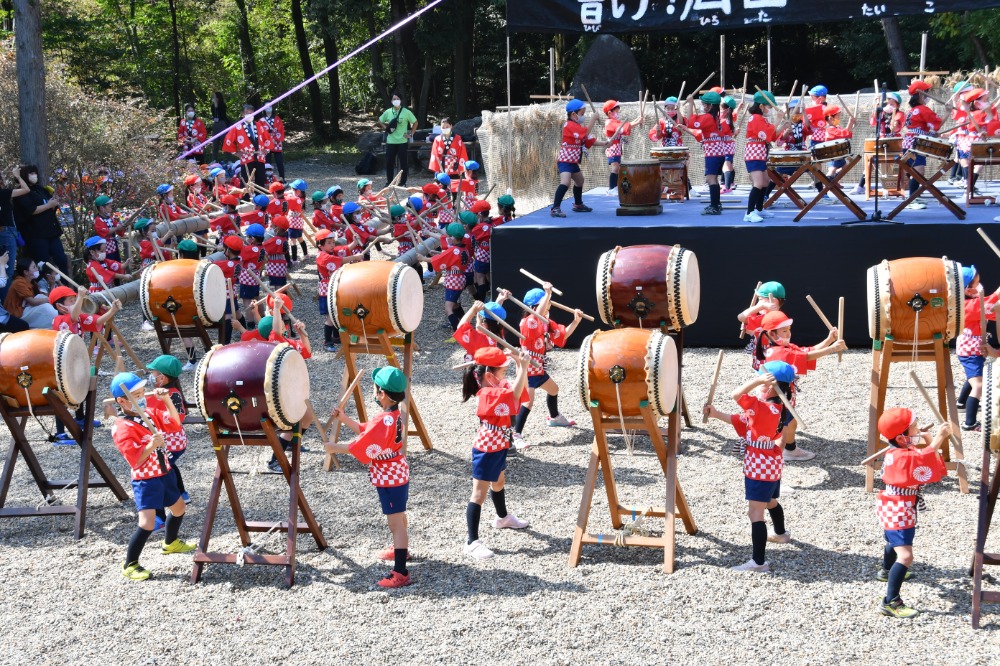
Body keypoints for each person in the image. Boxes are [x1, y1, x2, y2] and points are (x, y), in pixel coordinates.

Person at [703, 361, 796, 573]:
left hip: (758, 465)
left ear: (770, 385)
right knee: (771, 501)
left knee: (755, 512)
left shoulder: (761, 407)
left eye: (764, 383)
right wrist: (716, 414)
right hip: (772, 462)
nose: (761, 387)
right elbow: (743, 421)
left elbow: (736, 395)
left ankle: (758, 562)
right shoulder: (782, 409)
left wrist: (756, 380)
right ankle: (781, 534)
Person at [325, 367, 414, 588]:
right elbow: (367, 431)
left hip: (389, 475)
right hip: (397, 471)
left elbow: (361, 446)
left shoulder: (384, 420)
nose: (373, 391)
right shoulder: (392, 416)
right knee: (399, 519)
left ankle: (401, 571)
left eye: (375, 388)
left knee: (396, 524)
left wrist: (333, 447)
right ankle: (399, 549)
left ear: (382, 394)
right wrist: (344, 418)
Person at [110, 372, 195, 581]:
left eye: (141, 393)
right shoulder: (121, 427)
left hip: (164, 471)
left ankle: (170, 542)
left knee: (178, 508)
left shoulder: (147, 412)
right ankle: (130, 564)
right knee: (147, 523)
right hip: (146, 479)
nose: (141, 397)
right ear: (121, 401)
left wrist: (165, 400)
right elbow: (135, 460)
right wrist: (150, 445)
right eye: (135, 395)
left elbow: (175, 423)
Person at [873, 408, 949, 618]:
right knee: (905, 556)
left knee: (892, 540)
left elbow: (920, 454)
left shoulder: (897, 451)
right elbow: (924, 460)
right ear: (901, 437)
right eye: (915, 427)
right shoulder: (903, 457)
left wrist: (927, 438)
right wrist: (939, 438)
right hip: (899, 507)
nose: (918, 428)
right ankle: (891, 602)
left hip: (893, 504)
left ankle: (887, 571)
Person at [460, 346, 532, 560]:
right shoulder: (487, 393)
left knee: (499, 482)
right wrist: (523, 366)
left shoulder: (498, 386)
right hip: (486, 447)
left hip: (499, 443)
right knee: (478, 494)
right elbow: (515, 394)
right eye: (502, 371)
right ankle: (471, 541)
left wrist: (521, 366)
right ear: (489, 376)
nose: (505, 375)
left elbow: (521, 392)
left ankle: (502, 518)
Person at [753, 310, 845, 461]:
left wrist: (829, 340)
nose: (788, 333)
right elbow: (806, 357)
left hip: (783, 392)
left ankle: (787, 449)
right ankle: (779, 454)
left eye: (789, 330)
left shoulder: (784, 347)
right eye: (784, 330)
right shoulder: (777, 352)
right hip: (777, 395)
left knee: (789, 422)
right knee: (783, 424)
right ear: (772, 334)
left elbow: (807, 351)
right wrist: (832, 349)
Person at [509, 284, 583, 447]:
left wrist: (576, 321)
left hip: (538, 366)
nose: (549, 305)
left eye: (549, 302)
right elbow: (537, 316)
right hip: (527, 365)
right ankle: (516, 434)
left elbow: (562, 335)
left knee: (553, 389)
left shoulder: (545, 322)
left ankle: (555, 417)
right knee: (527, 401)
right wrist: (548, 293)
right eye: (546, 302)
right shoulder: (528, 322)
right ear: (534, 307)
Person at [955, 265, 999, 432]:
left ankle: (961, 403)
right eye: (976, 284)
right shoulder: (968, 306)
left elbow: (992, 310)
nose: (980, 287)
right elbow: (990, 302)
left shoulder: (974, 304)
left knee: (973, 376)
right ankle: (970, 422)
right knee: (979, 385)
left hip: (973, 350)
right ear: (966, 289)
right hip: (970, 352)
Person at [145, 355, 191, 505]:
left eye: (153, 373)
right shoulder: (159, 392)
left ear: (162, 378)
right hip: (169, 441)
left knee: (164, 466)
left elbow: (179, 418)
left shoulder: (172, 395)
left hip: (173, 441)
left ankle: (174, 496)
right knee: (169, 464)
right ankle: (181, 493)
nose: (151, 376)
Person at [552, 100, 602, 218]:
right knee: (565, 182)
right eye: (582, 113)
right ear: (574, 114)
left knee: (580, 181)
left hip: (573, 161)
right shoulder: (569, 125)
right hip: (565, 160)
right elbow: (584, 134)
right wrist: (593, 119)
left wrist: (605, 143)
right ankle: (555, 208)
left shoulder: (577, 126)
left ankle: (578, 204)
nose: (583, 116)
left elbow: (588, 140)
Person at [14, 165, 68, 274]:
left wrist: (53, 204)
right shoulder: (19, 192)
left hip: (51, 232)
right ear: (24, 175)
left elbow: (49, 204)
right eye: (31, 173)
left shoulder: (40, 189)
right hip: (35, 235)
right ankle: (45, 288)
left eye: (35, 173)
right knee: (43, 263)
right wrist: (48, 205)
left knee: (61, 259)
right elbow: (30, 210)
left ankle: (65, 286)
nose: (35, 176)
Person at [901, 80, 945, 210]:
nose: (928, 95)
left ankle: (914, 196)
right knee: (918, 170)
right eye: (926, 93)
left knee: (916, 170)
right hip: (916, 143)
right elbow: (936, 125)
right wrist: (948, 112)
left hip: (910, 141)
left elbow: (925, 128)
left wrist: (931, 134)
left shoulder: (913, 110)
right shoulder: (922, 109)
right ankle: (912, 198)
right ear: (920, 95)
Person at [742, 91, 783, 223]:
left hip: (760, 152)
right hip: (754, 152)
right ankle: (749, 212)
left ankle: (759, 209)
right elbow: (765, 134)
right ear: (761, 106)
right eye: (769, 107)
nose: (770, 110)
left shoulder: (761, 119)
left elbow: (771, 137)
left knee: (765, 181)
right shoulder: (755, 118)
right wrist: (778, 120)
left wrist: (783, 126)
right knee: (758, 183)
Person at [685, 91, 729, 215]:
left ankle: (714, 205)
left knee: (711, 179)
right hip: (718, 151)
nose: (702, 107)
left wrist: (690, 104)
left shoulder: (708, 117)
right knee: (713, 178)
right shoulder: (715, 117)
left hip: (713, 153)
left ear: (710, 106)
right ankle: (717, 204)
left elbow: (690, 122)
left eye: (704, 104)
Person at [223, 103, 272, 192]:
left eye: (251, 112)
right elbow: (228, 140)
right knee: (246, 181)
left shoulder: (259, 125)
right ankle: (245, 201)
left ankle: (259, 200)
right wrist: (235, 152)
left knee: (260, 180)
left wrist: (266, 149)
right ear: (242, 114)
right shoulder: (237, 127)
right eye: (247, 112)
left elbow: (267, 137)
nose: (249, 114)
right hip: (246, 157)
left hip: (259, 156)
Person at [3, 256, 57, 329]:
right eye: (34, 267)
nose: (37, 269)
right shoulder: (18, 282)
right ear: (26, 272)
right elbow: (33, 302)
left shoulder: (32, 283)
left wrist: (52, 284)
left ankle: (56, 321)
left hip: (25, 309)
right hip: (17, 314)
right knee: (45, 307)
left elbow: (45, 297)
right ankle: (57, 322)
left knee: (42, 298)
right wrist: (51, 299)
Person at [0, 168, 30, 301]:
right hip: (6, 232)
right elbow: (26, 189)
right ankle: (5, 307)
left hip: (6, 232)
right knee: (7, 271)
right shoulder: (4, 193)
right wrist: (18, 176)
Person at [378, 92, 418, 187]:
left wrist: (411, 134)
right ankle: (389, 182)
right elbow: (380, 120)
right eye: (394, 99)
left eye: (397, 99)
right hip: (391, 141)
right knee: (389, 163)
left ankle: (402, 182)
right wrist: (386, 128)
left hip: (402, 142)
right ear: (391, 101)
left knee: (403, 163)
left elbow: (415, 122)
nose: (396, 101)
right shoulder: (388, 112)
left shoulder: (406, 112)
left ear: (400, 100)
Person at [602, 100, 640, 193]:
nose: (618, 114)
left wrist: (637, 120)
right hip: (613, 148)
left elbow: (626, 125)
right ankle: (612, 188)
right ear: (610, 113)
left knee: (618, 168)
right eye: (616, 112)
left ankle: (615, 187)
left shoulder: (613, 121)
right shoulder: (610, 123)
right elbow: (623, 128)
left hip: (616, 148)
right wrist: (637, 122)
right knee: (615, 168)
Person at [428, 118, 469, 195]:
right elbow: (435, 154)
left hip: (454, 165)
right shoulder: (437, 139)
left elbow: (462, 153)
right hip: (442, 165)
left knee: (454, 185)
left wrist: (461, 168)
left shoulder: (458, 138)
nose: (445, 129)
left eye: (447, 127)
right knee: (442, 186)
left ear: (451, 126)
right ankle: (443, 202)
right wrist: (436, 169)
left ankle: (453, 203)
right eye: (443, 127)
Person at [0, 251, 29, 333]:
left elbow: (4, 277)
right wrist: (2, 264)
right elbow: (2, 282)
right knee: (23, 326)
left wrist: (2, 265)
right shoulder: (19, 282)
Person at [93, 195, 126, 262]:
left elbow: (117, 226)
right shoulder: (98, 220)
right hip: (104, 247)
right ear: (102, 208)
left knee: (117, 262)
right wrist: (117, 228)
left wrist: (124, 225)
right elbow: (105, 232)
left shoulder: (111, 218)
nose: (111, 208)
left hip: (114, 245)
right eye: (109, 206)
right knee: (109, 263)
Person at [262, 104, 286, 181]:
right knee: (267, 163)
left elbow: (280, 130)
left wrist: (275, 139)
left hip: (277, 143)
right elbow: (260, 132)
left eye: (270, 106)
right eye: (267, 106)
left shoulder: (277, 119)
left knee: (279, 162)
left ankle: (282, 178)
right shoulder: (261, 120)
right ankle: (268, 179)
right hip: (267, 143)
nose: (269, 108)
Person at [210, 92, 229, 163]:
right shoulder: (212, 106)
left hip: (222, 124)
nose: (214, 98)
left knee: (225, 142)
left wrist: (216, 102)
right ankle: (214, 160)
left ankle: (229, 159)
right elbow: (214, 112)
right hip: (215, 124)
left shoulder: (222, 105)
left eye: (215, 97)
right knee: (215, 143)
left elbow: (218, 108)